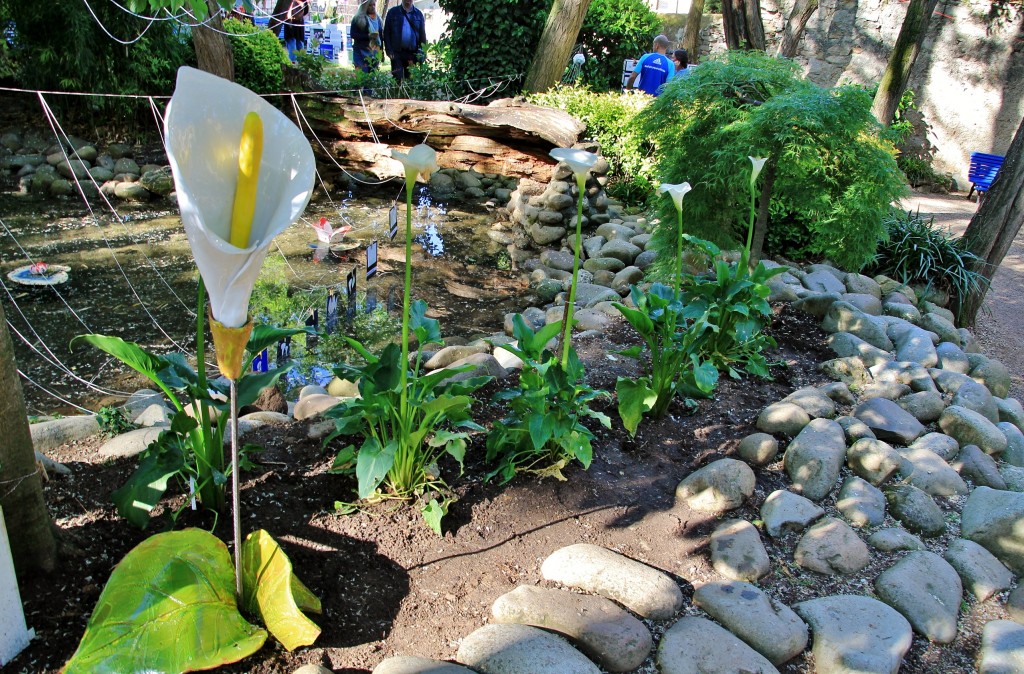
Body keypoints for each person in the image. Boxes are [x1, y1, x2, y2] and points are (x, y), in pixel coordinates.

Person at [382, 0, 427, 81]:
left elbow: (422, 34)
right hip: (397, 53)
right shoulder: (393, 12)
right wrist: (389, 50)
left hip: (412, 53)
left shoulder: (418, 14)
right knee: (398, 78)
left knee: (410, 79)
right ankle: (398, 93)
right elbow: (386, 33)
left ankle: (408, 94)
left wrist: (423, 52)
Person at [351, 1, 382, 73]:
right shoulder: (357, 19)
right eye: (370, 5)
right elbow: (353, 34)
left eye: (374, 5)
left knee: (373, 77)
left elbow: (380, 36)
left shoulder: (378, 19)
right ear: (365, 6)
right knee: (361, 76)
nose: (373, 7)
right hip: (360, 51)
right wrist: (368, 36)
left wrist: (381, 52)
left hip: (374, 52)